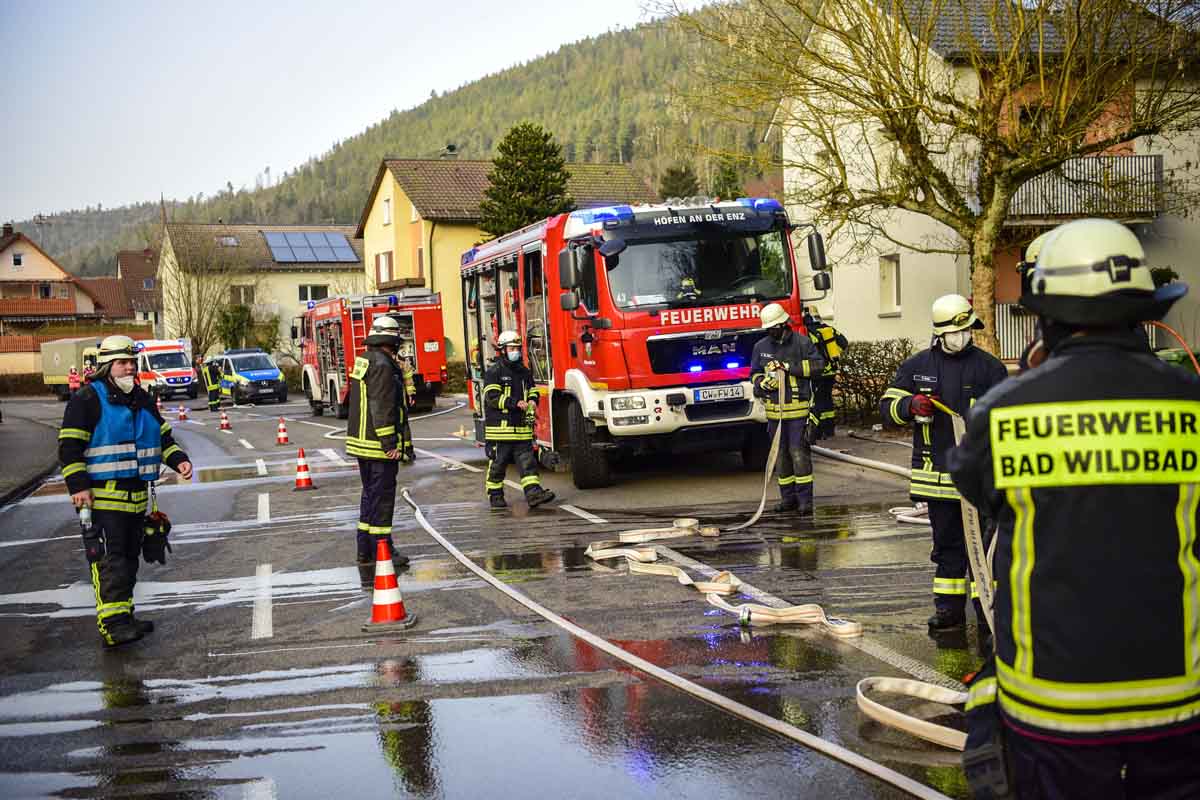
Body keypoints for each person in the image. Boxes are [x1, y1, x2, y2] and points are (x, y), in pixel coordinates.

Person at [949, 219, 1199, 798]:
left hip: (1052, 709)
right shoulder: (1189, 404)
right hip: (1177, 702)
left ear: (1046, 317)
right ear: (1143, 311)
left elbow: (979, 491)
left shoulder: (1005, 412)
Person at [880, 294, 1008, 633]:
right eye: (956, 330)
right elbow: (887, 407)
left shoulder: (989, 367)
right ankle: (949, 612)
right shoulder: (918, 366)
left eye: (966, 329)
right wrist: (910, 406)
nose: (962, 335)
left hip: (979, 478)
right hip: (935, 478)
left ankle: (987, 610)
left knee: (982, 549)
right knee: (947, 547)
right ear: (940, 333)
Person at [57, 335, 192, 647]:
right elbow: (69, 446)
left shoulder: (141, 399)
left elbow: (163, 439)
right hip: (102, 499)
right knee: (110, 563)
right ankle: (112, 625)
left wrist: (180, 461)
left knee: (130, 561)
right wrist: (78, 487)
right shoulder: (88, 399)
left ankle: (125, 616)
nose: (129, 367)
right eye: (122, 362)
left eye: (132, 362)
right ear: (107, 366)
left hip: (135, 498)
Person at [346, 315, 414, 588]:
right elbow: (382, 406)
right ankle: (383, 550)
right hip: (378, 447)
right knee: (383, 500)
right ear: (392, 339)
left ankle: (365, 550)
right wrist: (390, 445)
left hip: (362, 443)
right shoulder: (384, 366)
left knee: (370, 497)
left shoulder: (365, 359)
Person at [750, 303, 825, 514]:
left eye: (774, 327)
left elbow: (819, 366)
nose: (770, 331)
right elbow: (754, 372)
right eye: (768, 329)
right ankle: (788, 499)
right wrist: (761, 383)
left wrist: (790, 368)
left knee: (799, 455)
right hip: (774, 415)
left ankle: (805, 502)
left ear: (784, 324)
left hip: (798, 413)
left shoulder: (802, 343)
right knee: (781, 457)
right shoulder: (761, 347)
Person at [483, 330, 555, 511]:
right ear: (503, 350)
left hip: (522, 428)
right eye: (511, 347)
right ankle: (495, 495)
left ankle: (533, 494)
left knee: (527, 463)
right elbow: (492, 397)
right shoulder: (494, 372)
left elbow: (532, 390)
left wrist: (532, 400)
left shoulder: (524, 371)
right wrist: (516, 403)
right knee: (498, 464)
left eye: (517, 347)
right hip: (501, 430)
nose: (515, 351)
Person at [803, 306, 848, 440]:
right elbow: (844, 343)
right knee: (827, 399)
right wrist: (833, 355)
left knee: (817, 401)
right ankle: (829, 430)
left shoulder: (807, 332)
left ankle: (818, 431)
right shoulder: (828, 328)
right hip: (831, 371)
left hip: (818, 372)